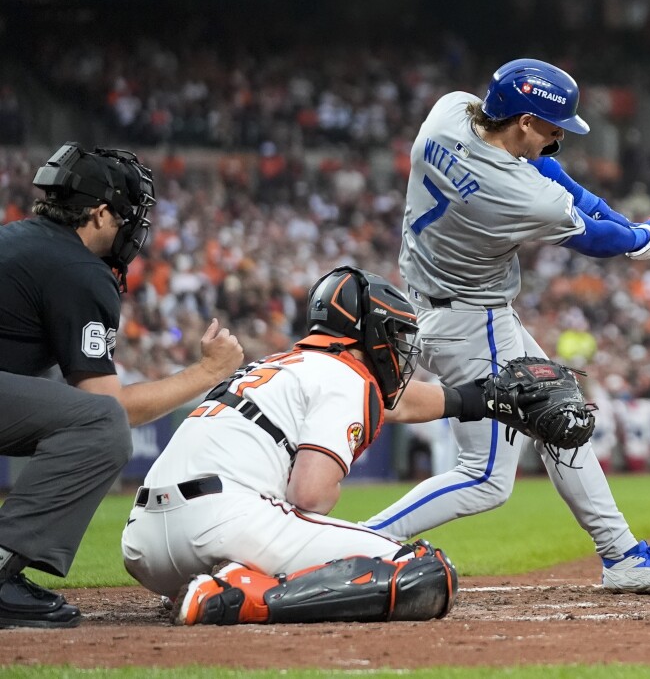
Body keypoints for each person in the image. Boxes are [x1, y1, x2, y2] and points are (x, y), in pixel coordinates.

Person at [363, 59, 650, 593]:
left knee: (561, 419)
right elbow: (592, 237)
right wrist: (642, 240)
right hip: (474, 322)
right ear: (523, 121)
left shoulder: (448, 112)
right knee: (485, 476)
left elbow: (554, 177)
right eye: (551, 129)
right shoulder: (516, 195)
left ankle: (621, 555)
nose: (557, 139)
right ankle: (355, 541)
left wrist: (625, 221)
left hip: (436, 303)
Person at [123, 266, 582, 625]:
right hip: (220, 526)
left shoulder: (284, 364)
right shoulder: (348, 376)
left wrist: (479, 401)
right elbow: (311, 496)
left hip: (145, 546)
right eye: (395, 334)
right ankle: (240, 595)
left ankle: (213, 584)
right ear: (370, 331)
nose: (400, 350)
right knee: (425, 572)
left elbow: (393, 405)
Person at [0, 142, 245, 629]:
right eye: (128, 214)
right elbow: (105, 409)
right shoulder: (77, 267)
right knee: (101, 422)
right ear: (100, 213)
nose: (135, 226)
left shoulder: (24, 241)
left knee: (53, 390)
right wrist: (208, 373)